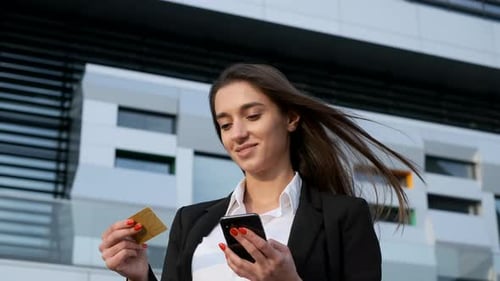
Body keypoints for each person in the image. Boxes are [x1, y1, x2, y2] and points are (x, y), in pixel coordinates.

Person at [99, 63, 419, 281]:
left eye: (252, 116)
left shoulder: (344, 217)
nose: (237, 134)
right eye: (225, 124)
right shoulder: (191, 222)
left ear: (290, 118)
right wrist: (139, 276)